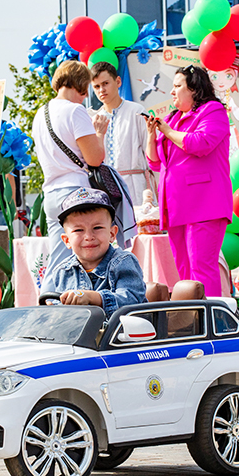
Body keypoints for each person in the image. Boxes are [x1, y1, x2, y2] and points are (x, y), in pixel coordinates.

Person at [145, 64, 231, 297]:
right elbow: (155, 162)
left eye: (177, 86)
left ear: (193, 88)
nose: (172, 92)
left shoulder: (213, 111)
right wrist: (152, 135)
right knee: (184, 270)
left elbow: (200, 143)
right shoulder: (172, 118)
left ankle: (208, 320)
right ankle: (191, 320)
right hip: (175, 205)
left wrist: (168, 131)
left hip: (204, 202)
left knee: (201, 266)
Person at [32, 60, 107, 274]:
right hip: (74, 191)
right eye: (86, 91)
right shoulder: (75, 111)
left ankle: (49, 300)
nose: (85, 97)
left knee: (58, 259)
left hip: (51, 193)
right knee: (84, 261)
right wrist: (99, 132)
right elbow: (94, 159)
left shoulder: (40, 113)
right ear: (81, 85)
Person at [40, 188, 146, 317]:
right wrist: (55, 311)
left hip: (121, 334)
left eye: (97, 228)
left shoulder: (123, 262)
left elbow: (132, 300)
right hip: (81, 335)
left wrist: (94, 298)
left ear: (112, 234)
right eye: (79, 230)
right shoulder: (63, 271)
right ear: (67, 240)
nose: (89, 236)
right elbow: (66, 311)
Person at [89, 61, 153, 206]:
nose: (101, 90)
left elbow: (150, 153)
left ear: (118, 81)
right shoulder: (94, 120)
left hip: (136, 187)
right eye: (97, 86)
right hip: (106, 190)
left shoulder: (136, 111)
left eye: (105, 83)